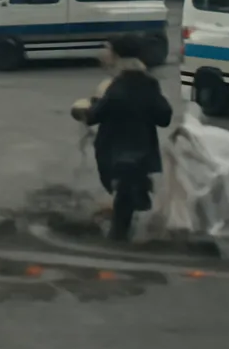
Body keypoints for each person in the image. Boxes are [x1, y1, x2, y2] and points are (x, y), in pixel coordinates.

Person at [71, 34, 173, 241]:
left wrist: (84, 110)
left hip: (115, 154)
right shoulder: (149, 84)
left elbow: (95, 116)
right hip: (143, 154)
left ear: (116, 55)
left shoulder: (116, 87)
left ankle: (118, 243)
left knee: (122, 203)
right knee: (135, 198)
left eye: (106, 48)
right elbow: (164, 117)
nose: (102, 53)